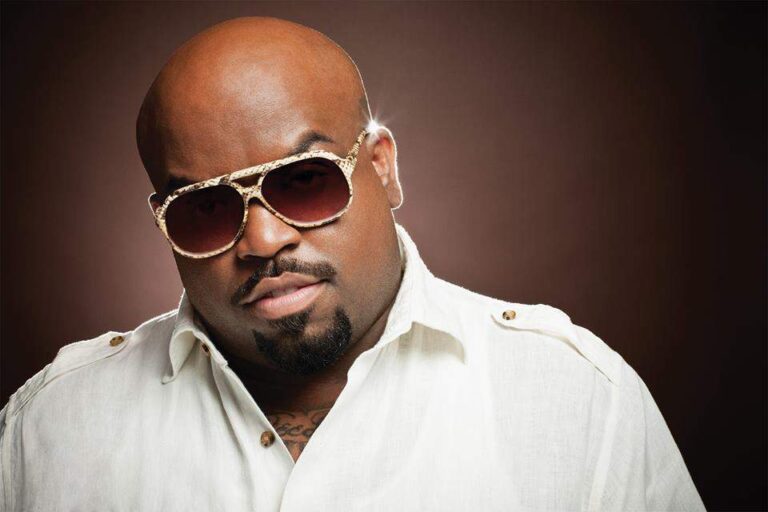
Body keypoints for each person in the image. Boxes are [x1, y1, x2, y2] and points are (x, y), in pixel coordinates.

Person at [0, 17, 705, 512]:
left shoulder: (580, 405)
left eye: (303, 180)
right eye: (206, 207)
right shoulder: (49, 430)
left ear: (382, 168)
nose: (263, 240)